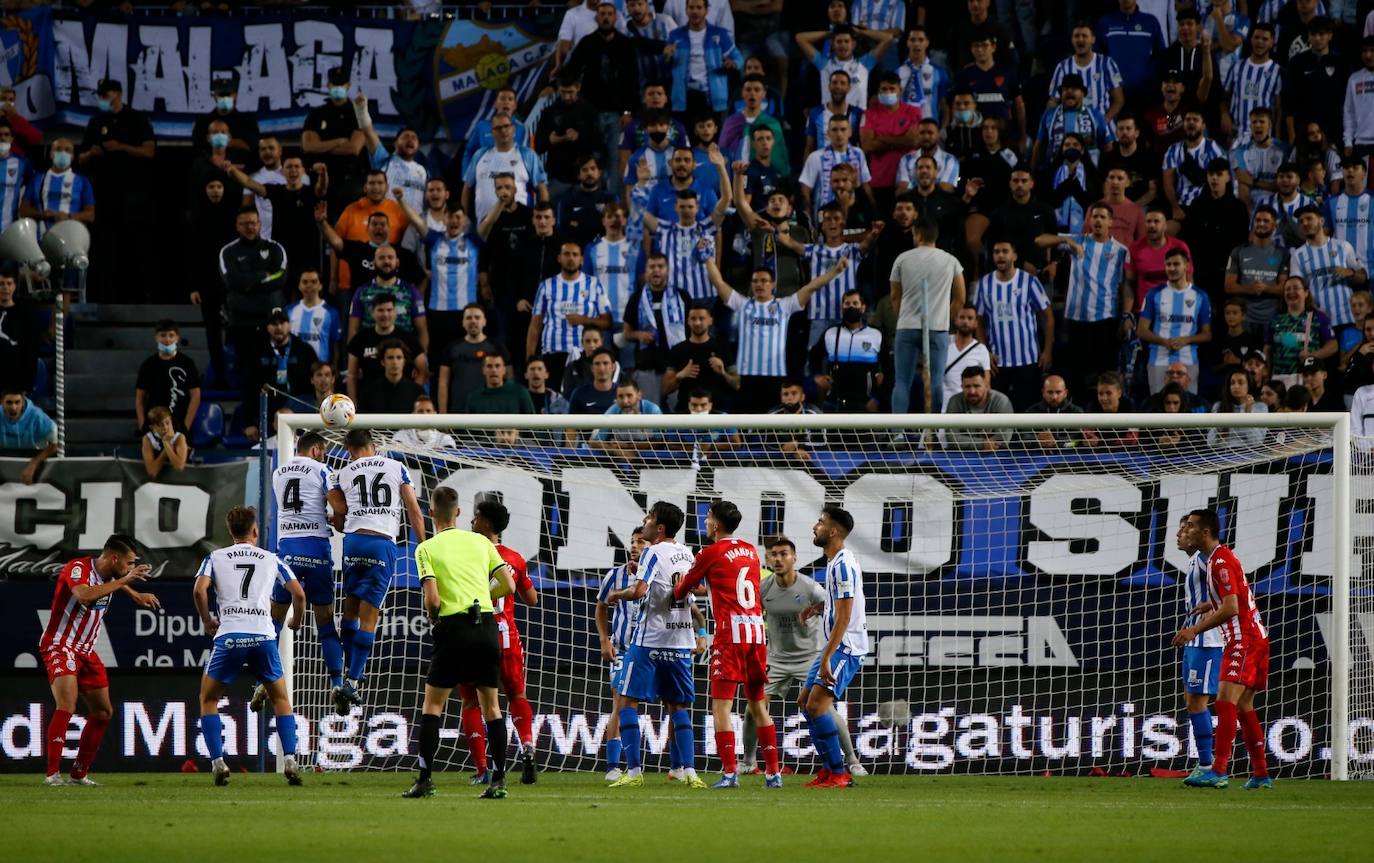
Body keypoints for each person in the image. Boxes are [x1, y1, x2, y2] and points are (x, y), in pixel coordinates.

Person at [405, 485, 517, 800]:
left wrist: (432, 615)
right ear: (458, 512)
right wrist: (482, 593)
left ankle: (425, 779)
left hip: (452, 628)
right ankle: (499, 781)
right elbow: (508, 584)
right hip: (485, 627)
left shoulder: (426, 548)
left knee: (433, 705)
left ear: (431, 513)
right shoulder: (481, 542)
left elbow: (433, 598)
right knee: (491, 707)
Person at [193, 506, 305, 786]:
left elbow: (198, 590)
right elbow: (299, 594)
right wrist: (297, 620)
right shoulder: (271, 559)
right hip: (263, 637)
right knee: (280, 700)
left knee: (208, 699)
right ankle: (290, 759)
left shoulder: (215, 557)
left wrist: (207, 620)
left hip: (229, 635)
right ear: (255, 531)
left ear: (230, 532)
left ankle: (218, 762)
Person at [671, 499, 777, 788]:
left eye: (707, 518)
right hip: (756, 634)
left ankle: (730, 773)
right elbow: (736, 584)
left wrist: (682, 583)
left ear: (716, 525)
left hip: (730, 637)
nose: (705, 523)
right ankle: (773, 773)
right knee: (758, 706)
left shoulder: (709, 553)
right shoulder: (750, 552)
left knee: (721, 708)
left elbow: (681, 590)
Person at [39, 534, 157, 786]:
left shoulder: (112, 575)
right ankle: (52, 775)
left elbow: (115, 581)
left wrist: (134, 594)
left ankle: (78, 775)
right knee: (67, 704)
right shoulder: (78, 567)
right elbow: (84, 595)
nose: (128, 569)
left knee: (103, 712)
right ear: (114, 558)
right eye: (127, 564)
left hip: (86, 649)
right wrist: (125, 579)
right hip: (61, 644)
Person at [326, 429, 427, 713]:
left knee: (350, 611)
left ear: (348, 449)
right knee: (370, 617)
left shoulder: (342, 473)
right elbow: (413, 510)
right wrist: (426, 550)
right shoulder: (396, 467)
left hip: (354, 542)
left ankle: (347, 669)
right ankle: (354, 680)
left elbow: (341, 516)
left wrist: (336, 520)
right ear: (374, 446)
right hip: (381, 544)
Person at [1171, 509, 1272, 789]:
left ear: (1205, 533)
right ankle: (1261, 774)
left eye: (1190, 526)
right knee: (1244, 705)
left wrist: (1194, 629)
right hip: (1255, 636)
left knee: (1225, 701)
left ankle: (1217, 769)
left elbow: (1231, 607)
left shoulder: (1219, 563)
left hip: (1243, 639)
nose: (1185, 530)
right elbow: (1232, 597)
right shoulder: (1219, 558)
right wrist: (1209, 605)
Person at [605, 501, 704, 788]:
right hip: (680, 639)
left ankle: (634, 773)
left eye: (649, 517)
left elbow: (639, 591)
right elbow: (695, 590)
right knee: (679, 706)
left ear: (659, 527)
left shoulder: (652, 552)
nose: (644, 520)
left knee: (626, 702)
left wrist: (618, 594)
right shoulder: (687, 553)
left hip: (649, 640)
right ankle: (690, 772)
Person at [450, 499, 541, 786]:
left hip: (475, 632)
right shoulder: (514, 558)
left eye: (476, 518)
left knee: (471, 702)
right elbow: (532, 599)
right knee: (516, 696)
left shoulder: (468, 554)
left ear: (486, 524)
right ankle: (527, 747)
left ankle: (482, 769)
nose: (472, 522)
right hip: (506, 635)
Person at [704, 255, 850, 410]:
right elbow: (719, 284)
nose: (759, 284)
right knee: (746, 426)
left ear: (773, 284)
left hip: (776, 379)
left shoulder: (784, 306)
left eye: (764, 281)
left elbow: (811, 287)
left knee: (772, 427)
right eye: (755, 281)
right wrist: (707, 259)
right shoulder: (742, 304)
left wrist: (835, 271)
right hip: (747, 378)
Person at [799, 506, 867, 788]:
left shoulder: (842, 565)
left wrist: (827, 657)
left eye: (821, 522)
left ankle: (839, 772)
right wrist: (819, 607)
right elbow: (839, 605)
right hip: (835, 645)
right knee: (804, 703)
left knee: (817, 706)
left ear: (834, 531)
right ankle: (829, 770)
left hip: (845, 647)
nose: (815, 526)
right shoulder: (835, 561)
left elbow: (845, 616)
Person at [1038, 203, 1133, 399]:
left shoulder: (1121, 251)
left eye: (1102, 217)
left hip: (1105, 320)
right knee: (1075, 373)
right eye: (1094, 216)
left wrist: (1125, 317)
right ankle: (1078, 418)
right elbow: (1040, 240)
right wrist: (1068, 241)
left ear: (1110, 221)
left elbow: (1126, 287)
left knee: (1105, 373)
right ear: (1089, 221)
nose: (1097, 220)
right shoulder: (1078, 241)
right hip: (1076, 320)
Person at [78, 78, 155, 301]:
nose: (103, 99)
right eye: (100, 95)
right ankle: (105, 297)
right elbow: (81, 158)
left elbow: (150, 152)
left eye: (107, 95)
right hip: (103, 195)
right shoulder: (96, 122)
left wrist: (121, 147)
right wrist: (92, 153)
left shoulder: (136, 119)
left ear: (118, 94)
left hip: (133, 194)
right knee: (104, 249)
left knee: (135, 248)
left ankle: (138, 298)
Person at [889, 215, 966, 413]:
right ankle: (932, 428)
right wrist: (945, 318)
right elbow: (961, 298)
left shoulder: (902, 259)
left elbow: (894, 297)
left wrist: (902, 318)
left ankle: (898, 433)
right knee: (936, 381)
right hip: (937, 327)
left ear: (918, 234)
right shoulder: (950, 261)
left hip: (907, 326)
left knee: (902, 381)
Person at [973, 240, 1052, 411]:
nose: (1000, 255)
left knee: (1028, 411)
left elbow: (1048, 316)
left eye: (1004, 251)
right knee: (999, 413)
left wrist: (1047, 350)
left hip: (1028, 360)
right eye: (996, 251)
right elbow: (978, 320)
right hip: (998, 364)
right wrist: (985, 351)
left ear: (1014, 256)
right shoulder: (984, 285)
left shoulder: (1029, 282)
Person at [596, 526, 648, 782]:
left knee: (673, 703)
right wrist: (605, 640)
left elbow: (691, 607)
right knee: (619, 702)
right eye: (633, 541)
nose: (635, 546)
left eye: (641, 541)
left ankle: (680, 765)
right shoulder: (615, 576)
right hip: (624, 650)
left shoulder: (660, 575)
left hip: (653, 651)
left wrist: (702, 632)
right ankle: (614, 765)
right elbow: (601, 608)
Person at [1173, 515, 1223, 780]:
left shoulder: (1213, 560)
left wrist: (1201, 622)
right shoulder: (1196, 560)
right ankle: (1207, 763)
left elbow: (1232, 598)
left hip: (1210, 639)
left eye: (1185, 528)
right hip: (1196, 639)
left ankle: (1209, 765)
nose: (1180, 534)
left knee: (1199, 701)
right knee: (1191, 701)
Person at [527, 241, 613, 389]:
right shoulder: (546, 286)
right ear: (559, 258)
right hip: (553, 353)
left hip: (584, 355)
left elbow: (607, 322)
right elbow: (535, 326)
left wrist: (583, 320)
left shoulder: (595, 284)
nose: (571, 258)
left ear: (582, 259)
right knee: (554, 402)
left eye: (575, 254)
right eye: (566, 254)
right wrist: (530, 359)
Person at [219, 207, 289, 371]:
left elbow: (280, 277)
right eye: (244, 224)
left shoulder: (275, 248)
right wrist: (263, 275)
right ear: (237, 226)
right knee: (245, 369)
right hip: (240, 319)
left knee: (271, 367)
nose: (249, 227)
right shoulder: (228, 251)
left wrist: (248, 281)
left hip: (270, 319)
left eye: (252, 223)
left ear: (259, 224)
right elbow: (231, 280)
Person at [1138, 247, 1213, 393]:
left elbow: (1207, 334)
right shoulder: (1153, 294)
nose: (1171, 268)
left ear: (1187, 265)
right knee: (1159, 407)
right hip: (1159, 359)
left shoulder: (1200, 296)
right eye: (1168, 264)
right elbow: (1141, 330)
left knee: (1187, 409)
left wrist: (1186, 340)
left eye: (1176, 264)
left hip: (1188, 359)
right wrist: (1164, 342)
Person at [241, 311, 319, 439]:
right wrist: (249, 423)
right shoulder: (256, 352)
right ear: (267, 327)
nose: (278, 327)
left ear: (289, 325)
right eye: (273, 324)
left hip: (299, 413)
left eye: (282, 323)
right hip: (267, 415)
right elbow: (247, 388)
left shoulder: (304, 350)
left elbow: (313, 387)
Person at [1289, 205, 1365, 331]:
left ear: (1322, 221)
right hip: (1318, 322)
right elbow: (1296, 289)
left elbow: (1363, 277)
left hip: (1347, 317)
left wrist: (1351, 273)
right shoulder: (1297, 255)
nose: (1305, 223)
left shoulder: (1343, 246)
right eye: (1301, 221)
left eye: (1309, 219)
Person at [464, 116, 548, 227]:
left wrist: (542, 218)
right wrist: (464, 218)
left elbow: (542, 189)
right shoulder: (479, 154)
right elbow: (467, 188)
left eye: (506, 126)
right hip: (485, 226)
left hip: (520, 225)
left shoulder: (527, 155)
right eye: (498, 128)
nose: (503, 131)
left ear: (513, 129)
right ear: (492, 132)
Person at [664, 0, 743, 118]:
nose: (695, 11)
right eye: (691, 8)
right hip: (684, 98)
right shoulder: (675, 35)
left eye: (699, 7)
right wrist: (666, 57)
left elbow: (738, 58)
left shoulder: (719, 34)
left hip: (713, 98)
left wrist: (733, 64)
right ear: (686, 10)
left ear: (706, 10)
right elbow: (665, 64)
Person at [302, 66, 365, 214]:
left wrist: (322, 145)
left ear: (348, 86)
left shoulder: (357, 113)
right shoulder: (316, 114)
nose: (338, 87)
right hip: (321, 180)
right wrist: (338, 142)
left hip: (350, 180)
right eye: (334, 84)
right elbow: (308, 146)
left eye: (341, 84)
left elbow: (353, 148)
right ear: (328, 85)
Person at [811, 289, 883, 412]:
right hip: (835, 402)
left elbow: (889, 369)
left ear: (863, 308)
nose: (851, 307)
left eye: (855, 304)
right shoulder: (831, 333)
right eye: (847, 304)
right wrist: (817, 376)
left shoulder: (876, 334)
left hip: (865, 404)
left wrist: (876, 398)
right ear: (842, 308)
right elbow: (813, 355)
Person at [346, 293, 425, 403]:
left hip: (402, 401)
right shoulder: (360, 339)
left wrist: (411, 394)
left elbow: (423, 371)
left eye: (389, 310)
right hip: (370, 402)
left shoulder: (408, 338)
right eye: (380, 310)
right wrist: (353, 403)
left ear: (395, 312)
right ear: (372, 312)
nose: (385, 314)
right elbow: (351, 375)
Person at [663, 304, 739, 411]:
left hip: (717, 411)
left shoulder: (722, 348)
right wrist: (680, 375)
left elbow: (737, 384)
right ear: (688, 321)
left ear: (710, 320)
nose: (697, 323)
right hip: (686, 411)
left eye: (701, 319)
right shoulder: (677, 350)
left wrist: (723, 373)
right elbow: (665, 389)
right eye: (693, 319)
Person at [1266, 274, 1338, 385]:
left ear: (1306, 293)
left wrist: (1313, 355)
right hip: (1278, 379)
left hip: (1306, 378)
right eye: (1287, 289)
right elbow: (1268, 349)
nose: (1291, 292)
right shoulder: (1275, 319)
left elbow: (1333, 345)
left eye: (1296, 288)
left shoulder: (1318, 317)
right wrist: (1267, 375)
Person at [135, 319, 201, 435]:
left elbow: (195, 396)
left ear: (177, 338)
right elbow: (140, 398)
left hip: (179, 423)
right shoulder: (148, 365)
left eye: (171, 335)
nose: (167, 340)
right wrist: (143, 426)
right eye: (163, 335)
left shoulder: (187, 363)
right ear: (156, 338)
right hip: (154, 425)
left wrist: (185, 427)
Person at [1225, 207, 1287, 328]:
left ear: (1275, 226)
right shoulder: (1238, 251)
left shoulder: (1282, 254)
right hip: (1244, 320)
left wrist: (1265, 288)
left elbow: (1284, 288)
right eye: (1258, 220)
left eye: (1266, 221)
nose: (1261, 224)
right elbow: (1228, 286)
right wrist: (1249, 289)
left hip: (1271, 320)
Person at [1048, 21, 1124, 118]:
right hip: (1072, 128)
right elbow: (1053, 101)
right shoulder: (1062, 67)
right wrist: (1046, 124)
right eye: (1077, 36)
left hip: (1103, 127)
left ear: (1093, 39)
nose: (1080, 39)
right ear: (1072, 40)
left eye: (1084, 36)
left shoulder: (1108, 63)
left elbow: (1119, 100)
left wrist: (1103, 122)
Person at [438, 305, 501, 414]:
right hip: (458, 413)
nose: (473, 321)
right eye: (469, 318)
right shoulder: (451, 348)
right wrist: (443, 415)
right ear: (463, 322)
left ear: (484, 321)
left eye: (477, 317)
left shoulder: (497, 347)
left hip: (491, 414)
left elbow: (509, 379)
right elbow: (443, 383)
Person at [941, 366, 1013, 450]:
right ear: (962, 386)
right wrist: (982, 444)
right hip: (963, 457)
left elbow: (1004, 437)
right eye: (967, 387)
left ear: (986, 385)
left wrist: (970, 442)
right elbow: (952, 438)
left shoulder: (1001, 401)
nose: (972, 391)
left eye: (976, 386)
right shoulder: (955, 401)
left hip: (995, 456)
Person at [1, 388, 58, 484]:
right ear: (2, 402)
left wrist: (34, 464)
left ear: (23, 402)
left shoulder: (38, 417)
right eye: (9, 403)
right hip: (4, 458)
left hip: (33, 456)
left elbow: (55, 445)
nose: (13, 408)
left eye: (17, 402)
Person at [286, 271, 342, 369]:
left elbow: (336, 344)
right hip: (294, 367)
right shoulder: (289, 311)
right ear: (299, 286)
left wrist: (335, 366)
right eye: (305, 282)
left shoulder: (331, 312)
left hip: (320, 369)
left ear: (320, 286)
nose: (309, 285)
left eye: (313, 282)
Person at [1208, 366, 1269, 448]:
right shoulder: (1218, 406)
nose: (1236, 386)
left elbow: (1257, 442)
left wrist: (1248, 413)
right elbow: (1210, 442)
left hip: (1250, 455)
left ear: (1249, 385)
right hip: (1222, 454)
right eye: (1232, 383)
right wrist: (1220, 422)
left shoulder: (1260, 407)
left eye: (1241, 382)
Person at [359, 340, 425, 415]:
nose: (395, 362)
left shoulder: (417, 391)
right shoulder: (369, 392)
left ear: (404, 361)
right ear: (382, 362)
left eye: (399, 357)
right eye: (390, 358)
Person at [1022, 374, 1086, 448]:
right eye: (1050, 392)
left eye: (1058, 392)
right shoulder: (1031, 411)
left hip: (1070, 456)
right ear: (1043, 392)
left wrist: (1055, 442)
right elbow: (1023, 437)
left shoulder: (1076, 412)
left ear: (1065, 393)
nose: (1054, 397)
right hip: (1038, 456)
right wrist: (1036, 440)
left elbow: (1078, 438)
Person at [466, 353, 536, 417]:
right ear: (483, 370)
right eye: (489, 366)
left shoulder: (520, 392)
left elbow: (533, 424)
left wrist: (518, 431)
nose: (494, 370)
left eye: (497, 366)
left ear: (504, 370)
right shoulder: (474, 397)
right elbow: (468, 429)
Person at [140, 407, 188, 479]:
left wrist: (166, 443)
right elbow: (152, 473)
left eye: (167, 423)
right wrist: (166, 446)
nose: (165, 427)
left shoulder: (179, 437)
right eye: (160, 424)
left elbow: (179, 467)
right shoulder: (148, 439)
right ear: (152, 427)